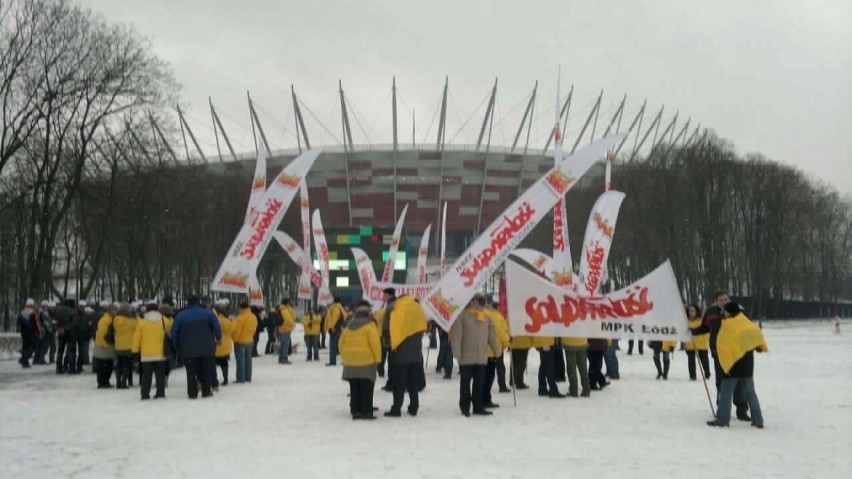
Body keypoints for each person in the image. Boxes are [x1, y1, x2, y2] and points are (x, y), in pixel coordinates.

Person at [691, 291, 750, 421]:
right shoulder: (711, 312)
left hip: (737, 352)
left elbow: (748, 328)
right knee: (721, 382)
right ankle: (722, 409)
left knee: (739, 382)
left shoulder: (739, 311)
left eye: (726, 299)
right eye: (721, 300)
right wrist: (692, 332)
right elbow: (705, 328)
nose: (724, 302)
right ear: (716, 302)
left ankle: (742, 410)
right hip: (719, 353)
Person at [707, 302, 767, 428]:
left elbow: (723, 344)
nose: (724, 314)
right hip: (747, 365)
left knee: (726, 393)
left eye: (725, 311)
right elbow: (756, 336)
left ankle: (722, 419)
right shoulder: (747, 323)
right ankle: (758, 420)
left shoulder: (728, 325)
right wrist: (759, 346)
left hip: (732, 364)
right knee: (751, 393)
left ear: (730, 312)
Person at [451, 294, 500, 416]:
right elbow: (456, 336)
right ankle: (465, 407)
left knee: (479, 384)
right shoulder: (462, 315)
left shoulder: (486, 317)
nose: (479, 303)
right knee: (465, 384)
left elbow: (492, 336)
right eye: (477, 300)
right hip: (466, 356)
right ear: (471, 301)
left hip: (481, 357)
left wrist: (497, 349)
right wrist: (456, 352)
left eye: (481, 301)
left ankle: (478, 406)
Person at [384, 294, 427, 417]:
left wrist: (392, 345)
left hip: (400, 355)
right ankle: (414, 407)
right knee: (413, 383)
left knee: (399, 384)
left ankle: (396, 408)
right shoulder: (418, 309)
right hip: (416, 354)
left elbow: (393, 331)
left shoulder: (398, 311)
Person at [171, 295, 222, 399]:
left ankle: (192, 392)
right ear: (199, 302)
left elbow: (174, 331)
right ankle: (206, 391)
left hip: (188, 348)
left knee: (191, 372)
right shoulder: (208, 313)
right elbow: (216, 326)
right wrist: (218, 338)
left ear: (188, 303)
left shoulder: (181, 315)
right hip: (206, 347)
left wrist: (175, 344)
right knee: (206, 370)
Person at [338, 300, 382, 420]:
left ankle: (355, 410)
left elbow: (340, 343)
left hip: (350, 361)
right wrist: (377, 359)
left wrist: (345, 356)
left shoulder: (348, 327)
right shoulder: (370, 326)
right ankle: (366, 411)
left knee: (354, 386)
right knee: (366, 386)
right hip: (366, 361)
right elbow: (375, 344)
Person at [131, 301, 171, 400]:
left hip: (146, 353)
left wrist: (135, 350)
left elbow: (137, 338)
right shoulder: (164, 320)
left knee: (146, 375)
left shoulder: (142, 322)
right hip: (160, 353)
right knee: (160, 375)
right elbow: (169, 333)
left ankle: (145, 394)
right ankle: (160, 393)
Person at [484, 302, 511, 400]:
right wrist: (507, 343)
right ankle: (502, 386)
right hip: (496, 346)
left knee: (485, 370)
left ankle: (484, 390)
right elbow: (501, 332)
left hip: (484, 347)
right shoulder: (497, 317)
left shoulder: (483, 314)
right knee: (500, 367)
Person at [92, 303, 117, 388]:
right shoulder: (105, 320)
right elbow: (101, 333)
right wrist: (104, 344)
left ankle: (105, 381)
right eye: (114, 310)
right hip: (103, 346)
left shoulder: (111, 319)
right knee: (103, 365)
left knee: (108, 365)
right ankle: (102, 382)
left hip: (107, 345)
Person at [113, 303, 138, 389]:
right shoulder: (132, 321)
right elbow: (138, 325)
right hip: (128, 346)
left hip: (118, 346)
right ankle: (124, 383)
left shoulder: (115, 320)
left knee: (119, 365)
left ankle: (118, 383)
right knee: (126, 365)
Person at [232, 302, 258, 384]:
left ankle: (240, 378)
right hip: (249, 340)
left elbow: (237, 331)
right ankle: (248, 377)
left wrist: (234, 339)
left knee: (240, 361)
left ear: (241, 308)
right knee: (248, 360)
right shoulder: (253, 316)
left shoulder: (240, 318)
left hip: (240, 341)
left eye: (238, 308)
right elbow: (254, 328)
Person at [684, 304, 711, 381]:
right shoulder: (685, 321)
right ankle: (692, 375)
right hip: (690, 344)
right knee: (691, 360)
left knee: (704, 359)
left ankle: (707, 373)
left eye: (693, 310)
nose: (691, 312)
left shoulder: (701, 320)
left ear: (696, 311)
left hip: (701, 343)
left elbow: (706, 331)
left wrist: (704, 339)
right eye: (689, 311)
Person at [212, 300, 235, 390]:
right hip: (226, 345)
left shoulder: (214, 320)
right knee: (224, 363)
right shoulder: (227, 320)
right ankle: (225, 379)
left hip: (215, 344)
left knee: (212, 364)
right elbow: (232, 329)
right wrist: (232, 321)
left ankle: (213, 379)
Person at [379, 288, 399, 391]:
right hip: (391, 338)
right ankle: (391, 383)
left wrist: (386, 334)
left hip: (391, 339)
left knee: (392, 363)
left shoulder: (392, 306)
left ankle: (392, 384)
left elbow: (391, 323)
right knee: (392, 362)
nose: (383, 297)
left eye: (384, 294)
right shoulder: (391, 305)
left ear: (389, 295)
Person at [17, 299, 39, 368]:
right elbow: (36, 324)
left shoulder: (22, 312)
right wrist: (38, 332)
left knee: (25, 346)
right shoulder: (33, 312)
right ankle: (23, 359)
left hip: (23, 332)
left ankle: (25, 363)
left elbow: (18, 322)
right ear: (32, 305)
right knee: (33, 346)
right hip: (31, 332)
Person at [325, 298, 346, 366]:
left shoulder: (335, 308)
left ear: (334, 301)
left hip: (335, 329)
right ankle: (342, 360)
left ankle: (332, 361)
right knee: (338, 345)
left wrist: (331, 327)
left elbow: (334, 318)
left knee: (332, 346)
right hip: (338, 328)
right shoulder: (340, 308)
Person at [277, 298, 296, 364]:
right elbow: (287, 319)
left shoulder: (281, 309)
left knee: (283, 344)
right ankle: (284, 358)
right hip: (285, 328)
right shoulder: (284, 310)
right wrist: (293, 323)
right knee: (285, 344)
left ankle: (281, 358)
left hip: (283, 328)